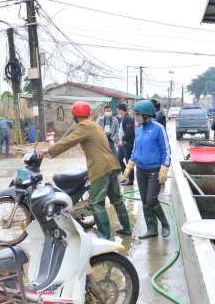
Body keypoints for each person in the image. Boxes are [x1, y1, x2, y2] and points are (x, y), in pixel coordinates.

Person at [38, 101, 132, 239]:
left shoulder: (84, 127)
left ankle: (104, 236)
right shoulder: (94, 124)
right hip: (112, 164)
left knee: (95, 201)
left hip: (100, 167)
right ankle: (126, 229)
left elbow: (68, 141)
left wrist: (48, 150)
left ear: (75, 115)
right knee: (116, 199)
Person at [123, 100, 171, 238]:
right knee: (144, 201)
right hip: (141, 170)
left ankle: (165, 224)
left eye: (137, 114)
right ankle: (152, 229)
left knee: (151, 200)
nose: (135, 117)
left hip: (154, 170)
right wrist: (129, 165)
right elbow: (135, 149)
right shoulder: (139, 130)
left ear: (146, 115)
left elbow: (166, 150)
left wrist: (164, 168)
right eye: (135, 114)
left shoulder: (158, 128)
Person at [116, 103, 135, 186]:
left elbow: (129, 132)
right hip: (122, 144)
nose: (118, 113)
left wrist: (123, 139)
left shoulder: (128, 118)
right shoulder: (123, 118)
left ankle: (130, 180)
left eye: (118, 111)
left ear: (121, 110)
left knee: (128, 162)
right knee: (119, 159)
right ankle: (125, 177)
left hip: (127, 144)